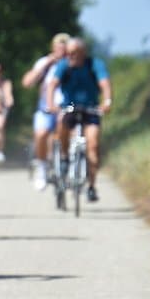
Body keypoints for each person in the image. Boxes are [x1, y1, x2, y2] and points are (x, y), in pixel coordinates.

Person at [44, 36, 113, 202]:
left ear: (83, 53)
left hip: (90, 108)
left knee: (93, 144)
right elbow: (52, 85)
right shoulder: (63, 65)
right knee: (61, 123)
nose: (70, 56)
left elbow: (104, 84)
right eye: (68, 53)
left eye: (74, 53)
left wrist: (107, 102)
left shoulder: (95, 64)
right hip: (69, 107)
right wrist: (51, 104)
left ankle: (91, 186)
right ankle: (64, 156)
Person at [21, 33, 69, 191]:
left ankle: (66, 163)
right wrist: (47, 64)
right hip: (45, 109)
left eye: (64, 47)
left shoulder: (73, 64)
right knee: (41, 134)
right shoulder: (44, 63)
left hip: (67, 108)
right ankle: (41, 168)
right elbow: (27, 82)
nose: (61, 51)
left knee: (70, 133)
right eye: (58, 47)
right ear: (53, 48)